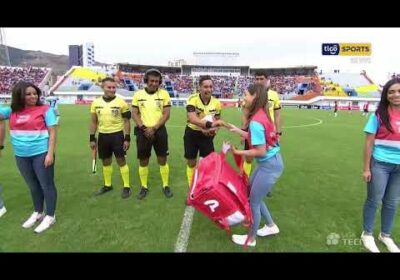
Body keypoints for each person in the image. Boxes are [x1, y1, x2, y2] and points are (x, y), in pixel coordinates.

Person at [226, 84, 284, 247]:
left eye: (245, 94)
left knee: (253, 202)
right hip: (270, 164)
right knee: (253, 196)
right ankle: (271, 226)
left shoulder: (256, 121)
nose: (244, 97)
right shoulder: (261, 115)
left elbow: (260, 151)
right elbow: (255, 137)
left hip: (269, 165)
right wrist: (237, 130)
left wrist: (239, 153)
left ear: (254, 97)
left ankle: (250, 239)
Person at [0, 81, 58, 233]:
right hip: (21, 155)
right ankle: (38, 213)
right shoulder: (11, 111)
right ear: (20, 96)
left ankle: (50, 216)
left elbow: (52, 133)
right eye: (28, 94)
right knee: (33, 186)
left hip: (41, 153)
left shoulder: (45, 110)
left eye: (35, 93)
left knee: (47, 185)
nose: (33, 96)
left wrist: (50, 153)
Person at [361, 78, 400, 253]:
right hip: (380, 164)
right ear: (386, 95)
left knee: (391, 203)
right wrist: (366, 168)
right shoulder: (378, 115)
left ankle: (385, 235)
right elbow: (368, 143)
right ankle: (367, 234)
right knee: (374, 200)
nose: (395, 95)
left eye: (398, 91)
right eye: (391, 92)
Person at [131, 69, 172, 199]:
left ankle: (165, 185)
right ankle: (144, 187)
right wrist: (143, 128)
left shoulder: (164, 94)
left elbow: (166, 114)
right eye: (151, 81)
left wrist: (154, 128)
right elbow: (134, 113)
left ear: (160, 82)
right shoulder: (138, 95)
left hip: (159, 130)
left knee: (162, 159)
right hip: (143, 131)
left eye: (157, 81)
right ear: (146, 81)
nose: (154, 83)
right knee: (143, 160)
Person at [89, 77, 132, 199]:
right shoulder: (96, 103)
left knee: (121, 161)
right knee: (106, 161)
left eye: (114, 87)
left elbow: (127, 121)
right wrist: (92, 138)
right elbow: (93, 121)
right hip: (103, 136)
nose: (112, 90)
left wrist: (127, 138)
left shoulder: (121, 102)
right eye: (109, 87)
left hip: (117, 135)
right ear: (103, 88)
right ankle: (108, 185)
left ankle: (127, 186)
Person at [242, 71, 282, 197]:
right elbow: (245, 113)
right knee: (249, 158)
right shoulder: (251, 94)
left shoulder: (274, 95)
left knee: (267, 157)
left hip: (268, 132)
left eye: (261, 78)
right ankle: (246, 182)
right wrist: (244, 131)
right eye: (257, 78)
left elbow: (277, 114)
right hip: (254, 129)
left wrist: (278, 131)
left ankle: (264, 186)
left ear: (267, 79)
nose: (259, 81)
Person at [184, 75, 225, 187]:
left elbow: (217, 120)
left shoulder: (216, 103)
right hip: (192, 134)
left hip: (207, 136)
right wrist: (208, 125)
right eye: (206, 87)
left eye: (211, 87)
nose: (209, 89)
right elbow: (192, 118)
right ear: (200, 88)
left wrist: (213, 131)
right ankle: (192, 188)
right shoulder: (192, 99)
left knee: (207, 163)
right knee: (191, 162)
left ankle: (203, 186)